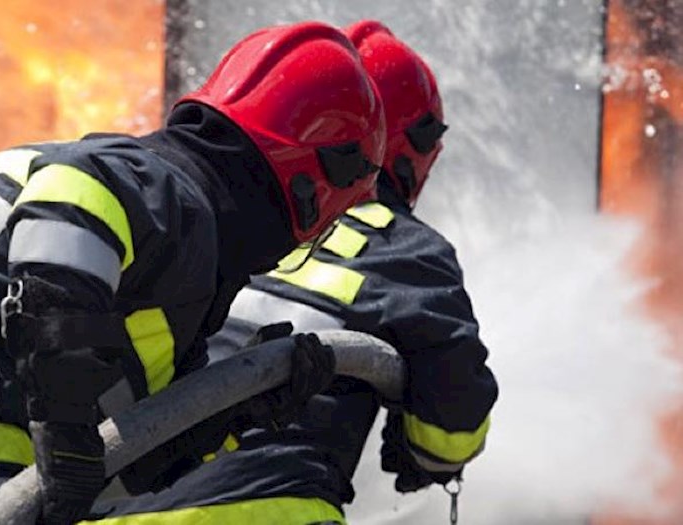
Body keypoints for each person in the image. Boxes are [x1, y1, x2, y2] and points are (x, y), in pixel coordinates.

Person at [0, 21, 387, 525]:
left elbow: (105, 472)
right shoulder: (167, 189)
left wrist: (237, 411)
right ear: (315, 186)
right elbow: (72, 199)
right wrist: (64, 419)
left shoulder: (160, 258)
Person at [83, 20, 498, 525]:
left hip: (103, 508)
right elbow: (450, 432)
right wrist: (422, 445)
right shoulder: (404, 249)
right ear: (411, 147)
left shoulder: (202, 219)